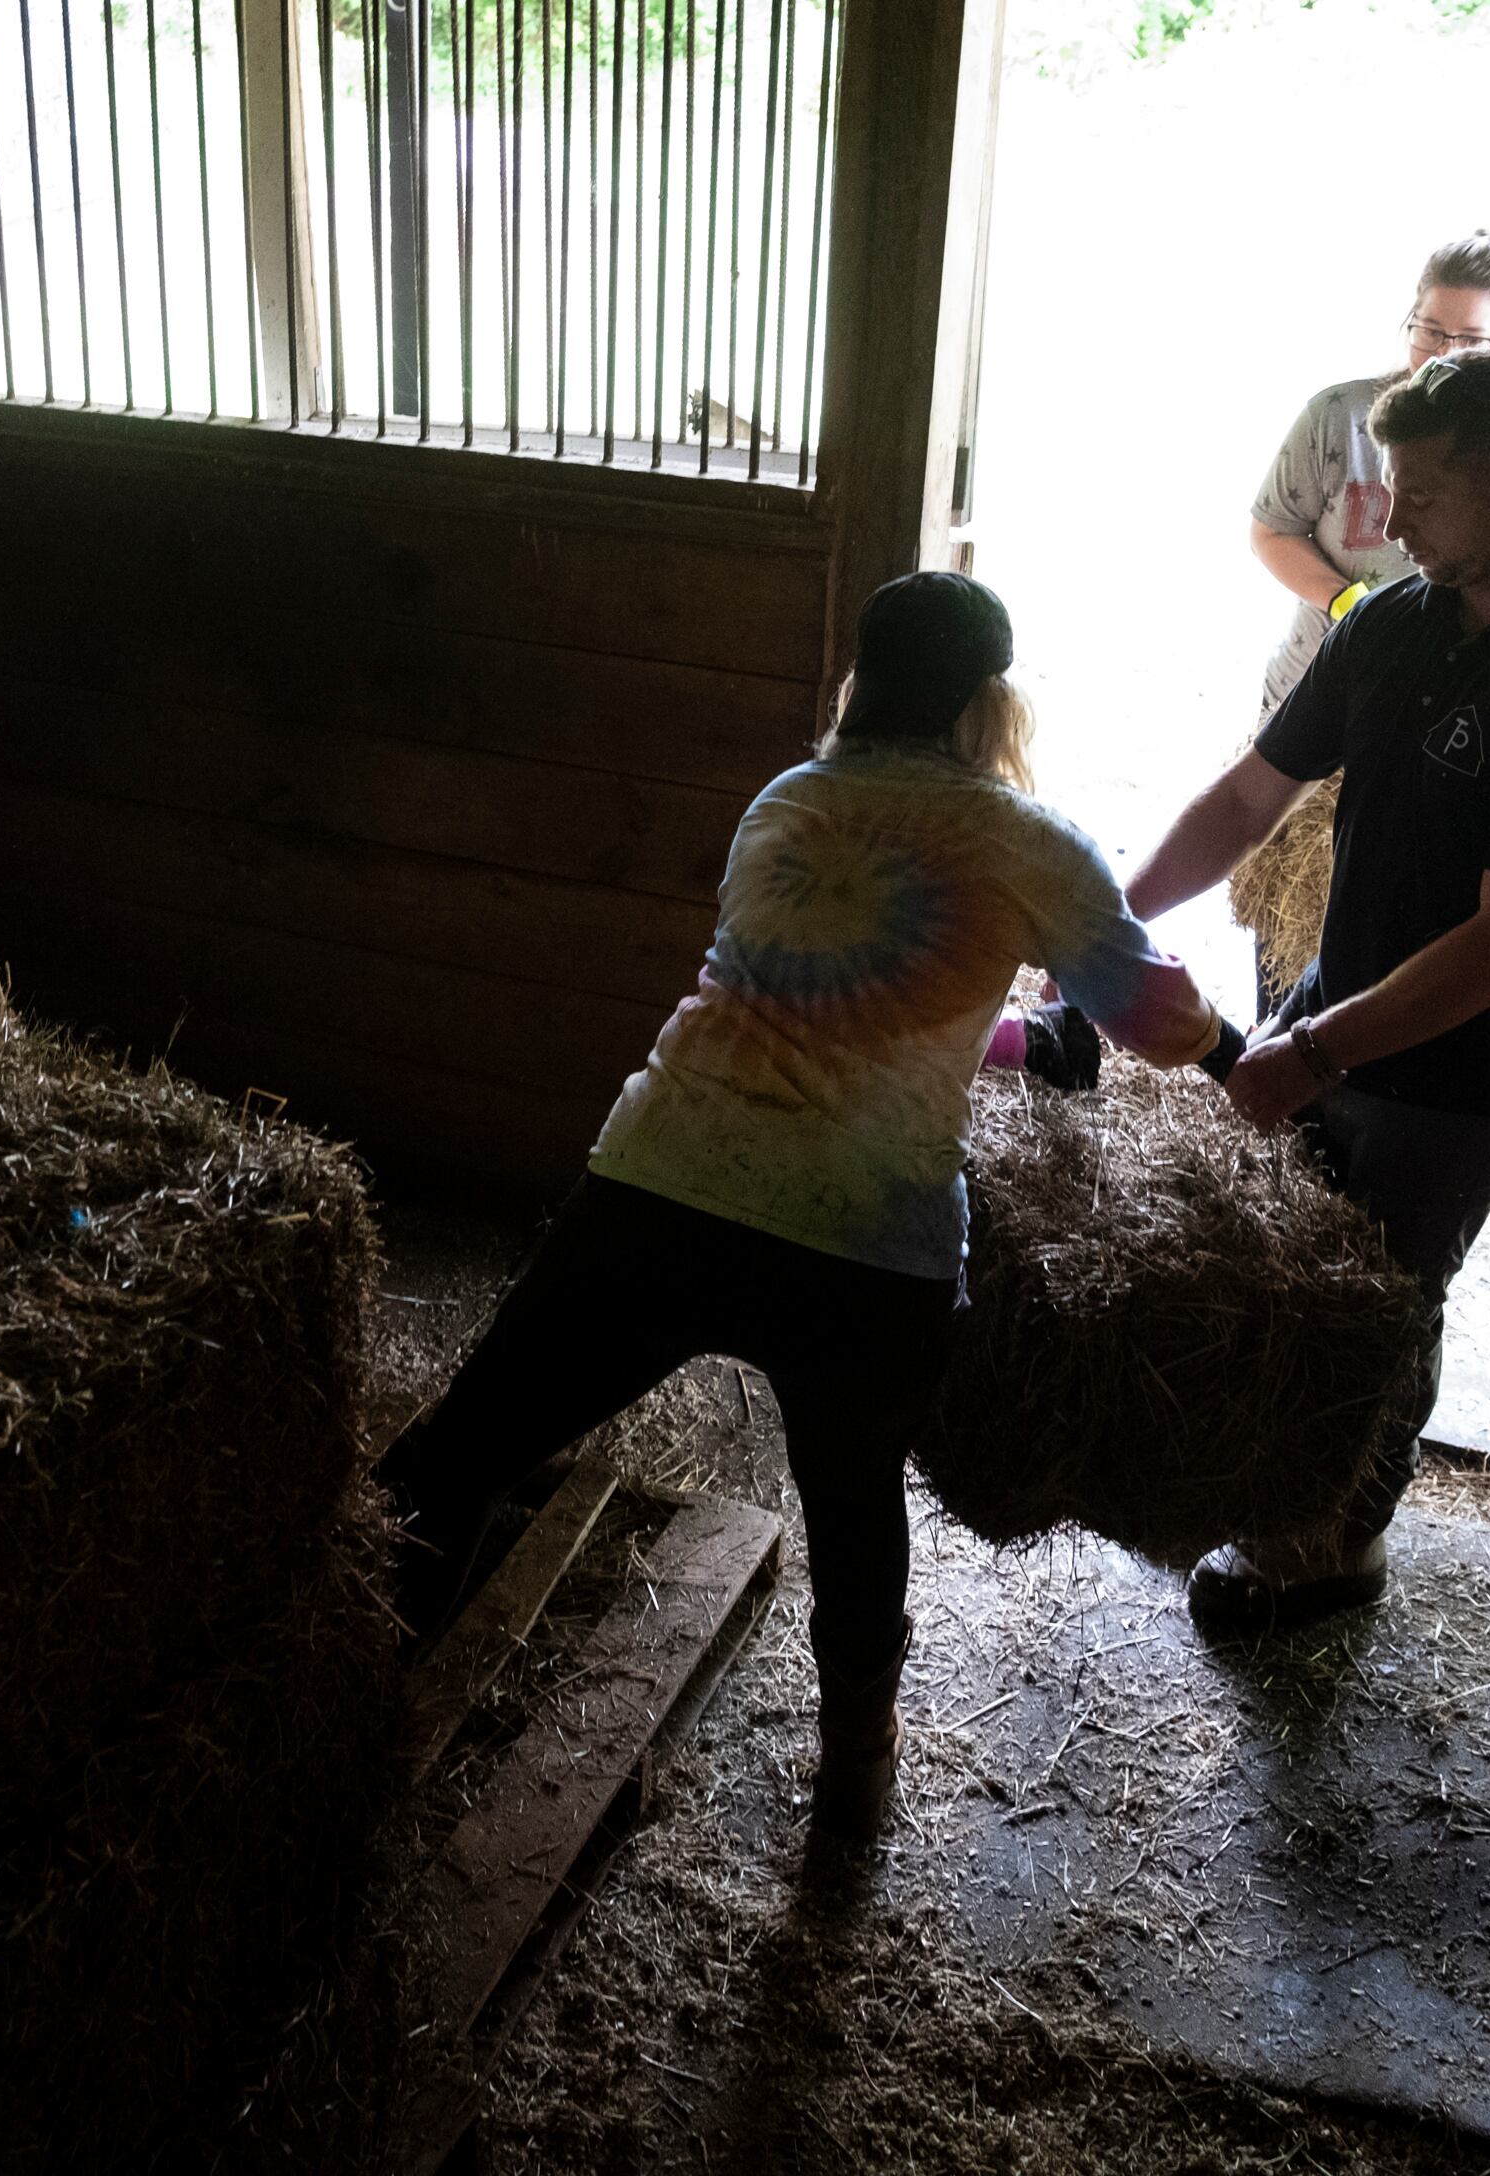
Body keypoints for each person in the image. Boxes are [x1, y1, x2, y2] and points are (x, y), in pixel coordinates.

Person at [375, 571, 1222, 1841]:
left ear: (863, 686)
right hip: (863, 1247)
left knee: (467, 1447)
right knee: (854, 1509)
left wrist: (994, 1040)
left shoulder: (790, 802)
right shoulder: (1026, 843)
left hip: (664, 1186)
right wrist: (1233, 1050)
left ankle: (342, 1678)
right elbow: (1151, 1023)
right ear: (990, 703)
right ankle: (853, 1775)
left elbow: (819, 997)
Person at [1126, 350, 1490, 1638]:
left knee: (1382, 1302)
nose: (1387, 519)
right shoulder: (1388, 619)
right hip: (1341, 1001)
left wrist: (1316, 1052)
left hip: (1468, 1070)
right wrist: (1110, 914)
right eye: (1389, 490)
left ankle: (1335, 1555)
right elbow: (1251, 794)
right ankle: (1281, 1499)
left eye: (1423, 493)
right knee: (1281, 1269)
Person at [1249, 232, 1490, 719]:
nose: (1442, 356)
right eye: (1430, 331)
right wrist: (1348, 605)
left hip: (1465, 708)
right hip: (1322, 682)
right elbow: (1271, 530)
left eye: (1472, 339)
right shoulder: (1335, 418)